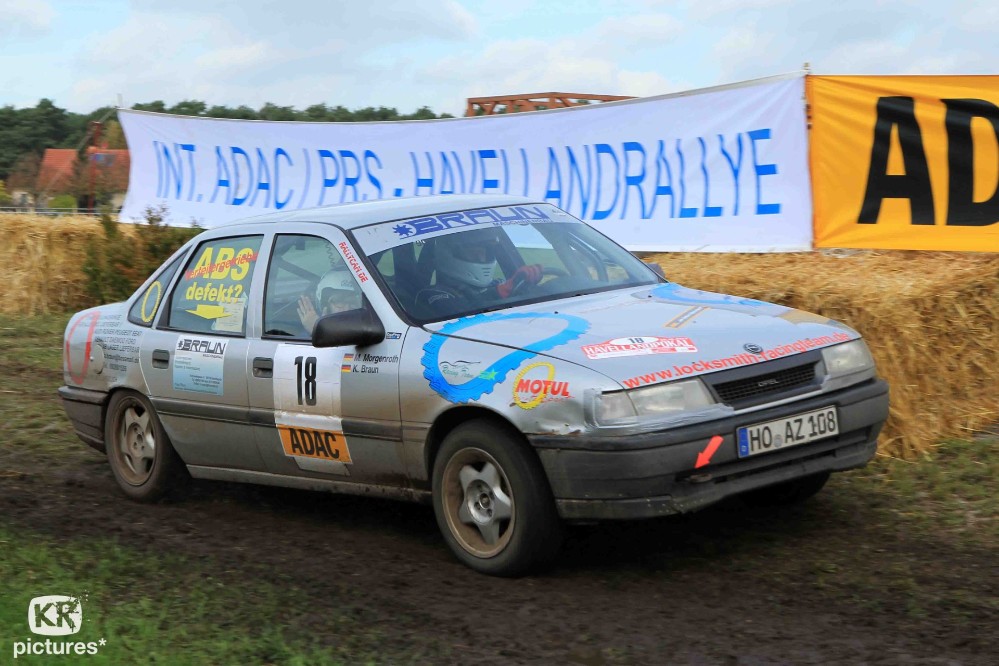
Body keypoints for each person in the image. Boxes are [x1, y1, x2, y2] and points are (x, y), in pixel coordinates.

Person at [415, 228, 543, 317]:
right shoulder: (432, 295)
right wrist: (499, 292)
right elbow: (460, 312)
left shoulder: (497, 283)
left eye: (486, 252)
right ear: (448, 254)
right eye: (474, 253)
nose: (482, 258)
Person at [297, 269, 363, 334]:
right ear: (325, 304)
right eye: (339, 301)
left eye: (353, 302)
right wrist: (317, 331)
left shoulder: (366, 327)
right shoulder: (307, 337)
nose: (347, 309)